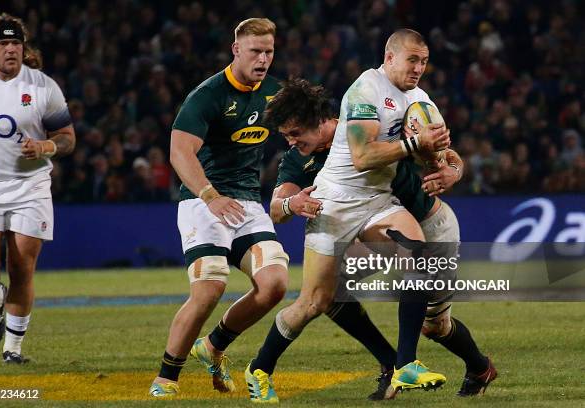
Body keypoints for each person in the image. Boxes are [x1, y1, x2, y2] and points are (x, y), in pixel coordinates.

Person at [251, 78, 496, 402]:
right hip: (377, 232)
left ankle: (480, 368)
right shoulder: (298, 160)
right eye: (287, 137)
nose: (292, 143)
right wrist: (290, 204)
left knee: (434, 325)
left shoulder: (367, 128)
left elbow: (443, 152)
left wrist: (455, 171)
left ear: (320, 120)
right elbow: (278, 207)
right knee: (326, 294)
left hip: (432, 225)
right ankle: (393, 362)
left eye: (296, 133)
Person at [148, 18, 289, 398]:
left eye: (269, 52)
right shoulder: (207, 94)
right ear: (236, 50)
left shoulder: (276, 92)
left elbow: (311, 128)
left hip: (246, 203)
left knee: (275, 284)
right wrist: (210, 196)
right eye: (256, 51)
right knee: (210, 287)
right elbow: (180, 152)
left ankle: (212, 346)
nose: (263, 59)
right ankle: (166, 377)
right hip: (202, 201)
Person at [0, 13, 75, 363]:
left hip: (29, 187)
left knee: (21, 269)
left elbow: (67, 138)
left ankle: (13, 350)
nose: (11, 49)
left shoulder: (42, 86)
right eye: (3, 43)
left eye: (16, 42)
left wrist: (45, 147)